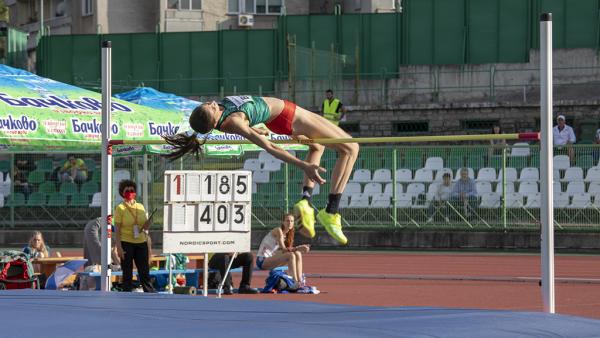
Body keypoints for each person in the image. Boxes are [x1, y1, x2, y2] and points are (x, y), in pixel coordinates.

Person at [163, 95, 359, 245]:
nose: (212, 102)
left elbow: (248, 114)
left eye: (209, 103)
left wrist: (258, 129)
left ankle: (305, 201)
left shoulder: (223, 112)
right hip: (290, 116)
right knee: (351, 148)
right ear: (213, 120)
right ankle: (331, 212)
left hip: (280, 118)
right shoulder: (232, 122)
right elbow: (270, 148)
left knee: (318, 146)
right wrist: (304, 166)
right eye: (210, 106)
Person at [113, 180, 155, 293]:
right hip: (126, 243)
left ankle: (149, 293)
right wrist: (119, 247)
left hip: (141, 243)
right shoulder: (120, 208)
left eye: (132, 190)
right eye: (127, 190)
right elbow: (117, 230)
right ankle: (127, 294)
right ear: (122, 193)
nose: (130, 192)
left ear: (135, 192)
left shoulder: (140, 206)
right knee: (127, 272)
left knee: (144, 271)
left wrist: (149, 222)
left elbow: (145, 227)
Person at [256, 214, 310, 285]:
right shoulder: (278, 231)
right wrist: (299, 247)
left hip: (271, 259)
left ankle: (300, 280)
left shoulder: (288, 235)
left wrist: (298, 249)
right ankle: (294, 281)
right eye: (287, 221)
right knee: (290, 255)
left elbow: (286, 250)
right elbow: (284, 250)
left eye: (291, 221)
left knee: (297, 253)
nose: (289, 223)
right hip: (262, 261)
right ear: (283, 222)